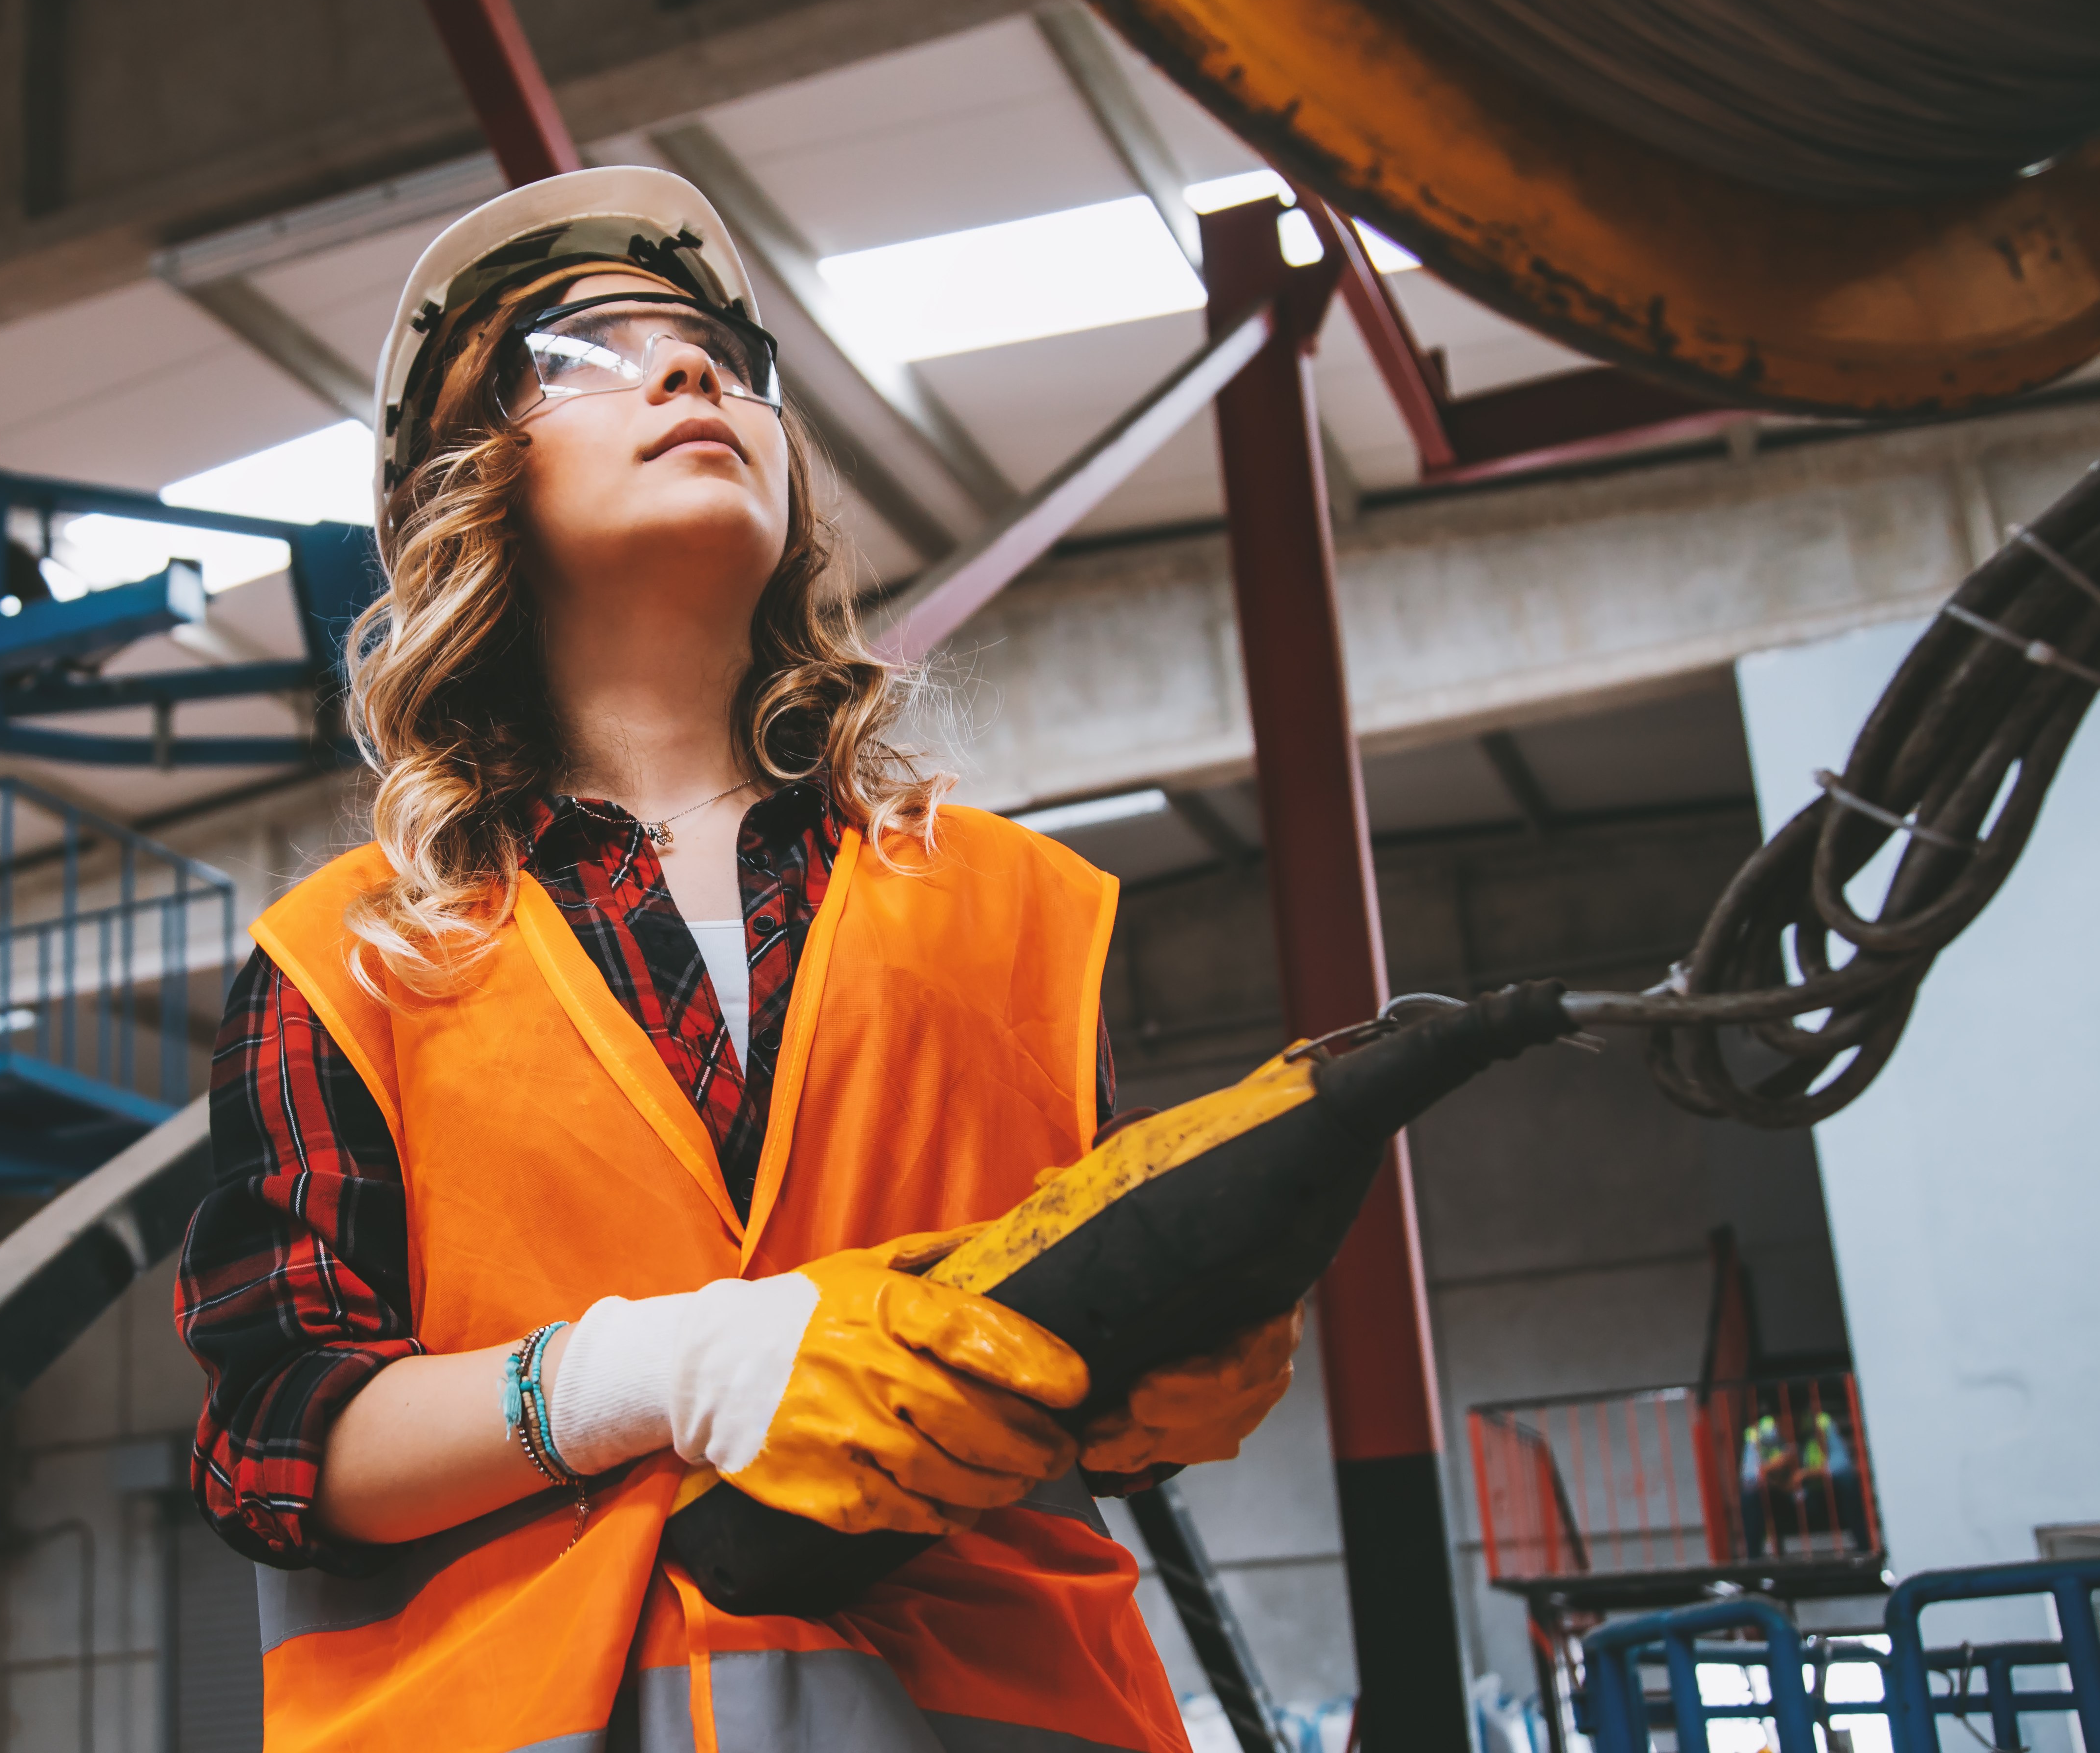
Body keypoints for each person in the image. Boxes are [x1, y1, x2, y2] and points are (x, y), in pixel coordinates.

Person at [176, 167, 1301, 1751]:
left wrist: (1158, 1375)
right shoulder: (350, 962)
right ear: (467, 486)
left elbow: (1036, 1359)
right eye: (579, 353)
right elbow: (277, 1444)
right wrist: (652, 1369)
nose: (693, 370)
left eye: (719, 352)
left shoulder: (1020, 915)